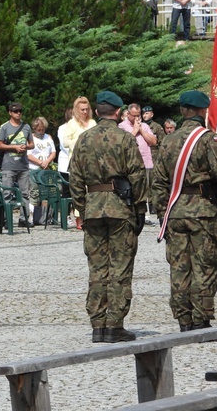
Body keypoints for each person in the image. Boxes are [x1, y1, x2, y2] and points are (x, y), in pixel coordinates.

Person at [152, 91, 217, 332]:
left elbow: (158, 182)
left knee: (179, 265)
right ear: (203, 111)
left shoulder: (168, 140)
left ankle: (183, 318)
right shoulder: (210, 139)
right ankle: (201, 317)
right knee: (205, 264)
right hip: (202, 211)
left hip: (175, 211)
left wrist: (162, 214)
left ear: (182, 111)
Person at [69, 91, 147, 343]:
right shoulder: (124, 139)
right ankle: (114, 324)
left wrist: (83, 207)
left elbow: (75, 178)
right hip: (119, 209)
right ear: (117, 112)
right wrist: (139, 209)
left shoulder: (83, 139)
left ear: (97, 111)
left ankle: (98, 325)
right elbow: (137, 176)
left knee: (97, 268)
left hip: (93, 210)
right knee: (120, 266)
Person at [0, 102, 34, 228]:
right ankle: (7, 220)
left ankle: (24, 219)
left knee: (25, 193)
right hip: (8, 165)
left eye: (20, 111)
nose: (18, 113)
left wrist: (25, 147)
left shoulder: (26, 126)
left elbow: (31, 144)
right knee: (7, 193)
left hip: (23, 165)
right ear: (10, 113)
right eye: (15, 111)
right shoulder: (4, 127)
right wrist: (14, 147)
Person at [119, 104, 156, 224]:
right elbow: (124, 142)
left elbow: (153, 141)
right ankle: (132, 213)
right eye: (133, 115)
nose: (136, 118)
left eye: (138, 115)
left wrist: (141, 130)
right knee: (134, 190)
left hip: (146, 162)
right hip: (131, 164)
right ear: (128, 114)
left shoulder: (144, 126)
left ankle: (146, 215)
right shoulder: (122, 126)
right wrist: (135, 130)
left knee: (147, 190)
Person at [63, 97, 96, 229]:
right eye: (82, 109)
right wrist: (79, 142)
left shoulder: (93, 122)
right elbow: (65, 142)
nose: (84, 112)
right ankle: (79, 218)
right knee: (78, 190)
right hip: (77, 161)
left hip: (92, 161)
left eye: (87, 109)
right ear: (76, 110)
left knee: (92, 189)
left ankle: (91, 216)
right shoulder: (72, 123)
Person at [27, 116, 57, 226]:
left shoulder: (48, 137)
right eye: (39, 129)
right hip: (33, 168)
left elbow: (53, 152)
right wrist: (40, 163)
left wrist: (47, 161)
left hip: (46, 169)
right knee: (34, 193)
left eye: (43, 129)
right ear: (34, 128)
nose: (41, 132)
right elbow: (28, 155)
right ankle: (30, 216)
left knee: (46, 194)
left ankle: (46, 217)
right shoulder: (30, 138)